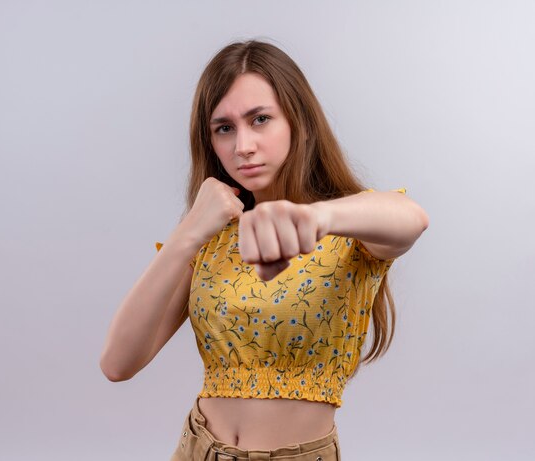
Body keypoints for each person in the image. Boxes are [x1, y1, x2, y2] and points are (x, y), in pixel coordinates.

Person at [100, 40, 429, 460]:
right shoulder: (210, 238)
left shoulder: (347, 227)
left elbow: (411, 218)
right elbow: (117, 363)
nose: (243, 146)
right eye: (224, 128)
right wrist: (187, 234)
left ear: (299, 120)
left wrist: (314, 218)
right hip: (196, 448)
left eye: (260, 120)